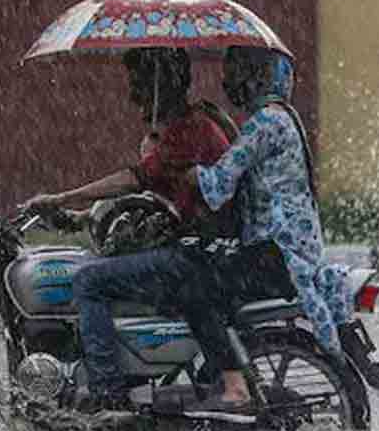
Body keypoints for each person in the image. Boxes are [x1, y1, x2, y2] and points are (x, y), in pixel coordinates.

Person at [23, 46, 238, 411]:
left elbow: (133, 181)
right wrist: (79, 218)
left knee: (89, 281)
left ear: (161, 82)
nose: (133, 89)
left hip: (196, 255)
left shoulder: (190, 129)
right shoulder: (184, 126)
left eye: (140, 80)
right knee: (97, 266)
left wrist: (62, 198)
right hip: (197, 248)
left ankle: (108, 396)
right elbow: (151, 200)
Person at [183, 45, 347, 409]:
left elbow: (219, 184)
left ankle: (234, 386)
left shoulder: (265, 123)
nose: (228, 83)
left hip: (277, 254)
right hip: (291, 251)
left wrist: (193, 174)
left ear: (255, 77)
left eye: (235, 74)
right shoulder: (283, 117)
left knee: (193, 287)